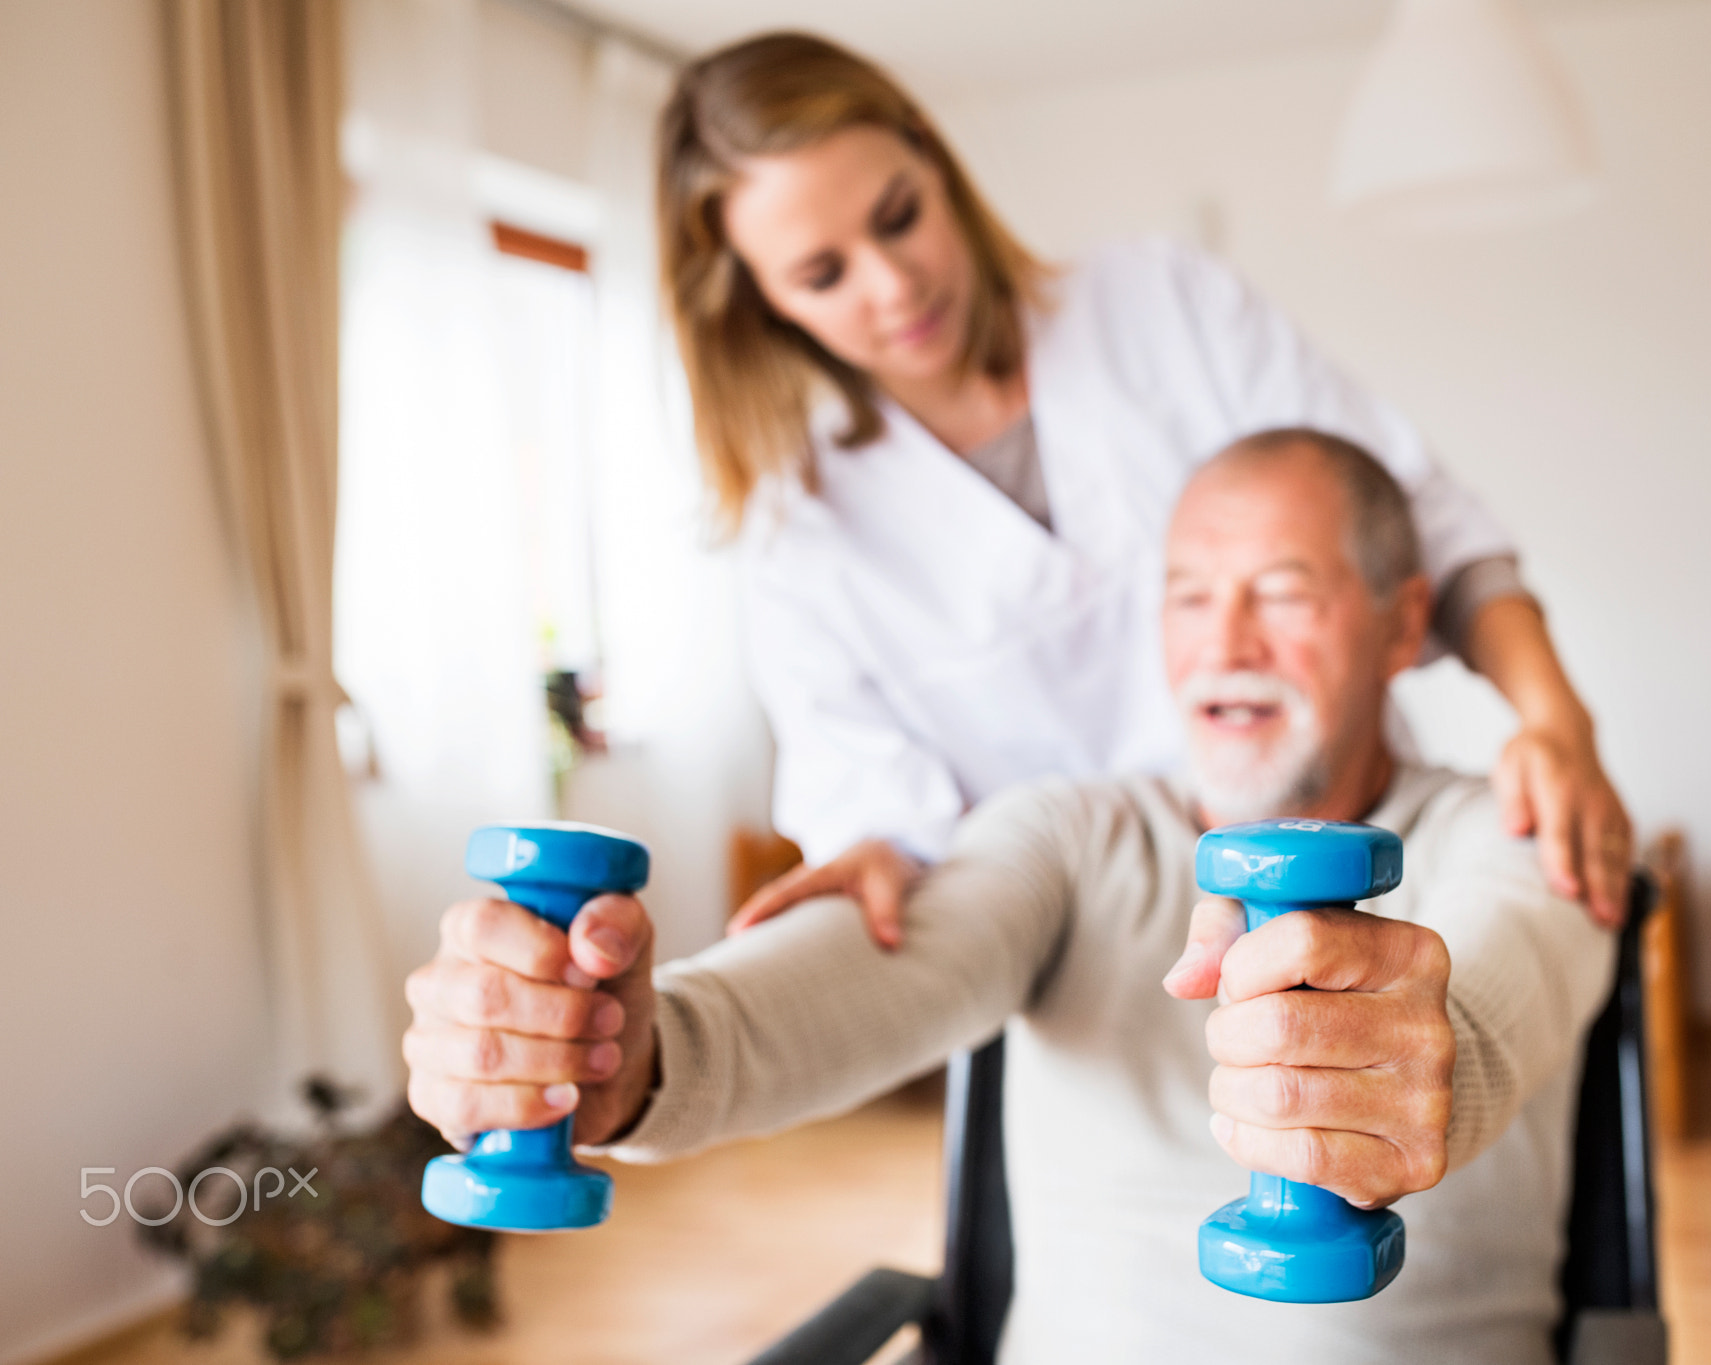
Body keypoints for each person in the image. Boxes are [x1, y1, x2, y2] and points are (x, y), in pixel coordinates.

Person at [404, 430, 1616, 1363]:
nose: (1224, 640)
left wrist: (1415, 1071)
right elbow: (860, 979)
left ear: (1405, 624)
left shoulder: (1509, 825)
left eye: (1283, 593)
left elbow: (1497, 988)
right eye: (1189, 594)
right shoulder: (1066, 833)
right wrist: (628, 1051)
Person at [655, 32, 1635, 946]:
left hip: (1332, 876)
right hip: (1080, 959)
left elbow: (1418, 525)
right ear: (755, 297)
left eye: (898, 216)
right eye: (823, 274)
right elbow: (869, 807)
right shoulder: (802, 530)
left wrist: (1557, 723)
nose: (893, 285)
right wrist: (864, 862)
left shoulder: (1162, 307)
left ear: (931, 159)